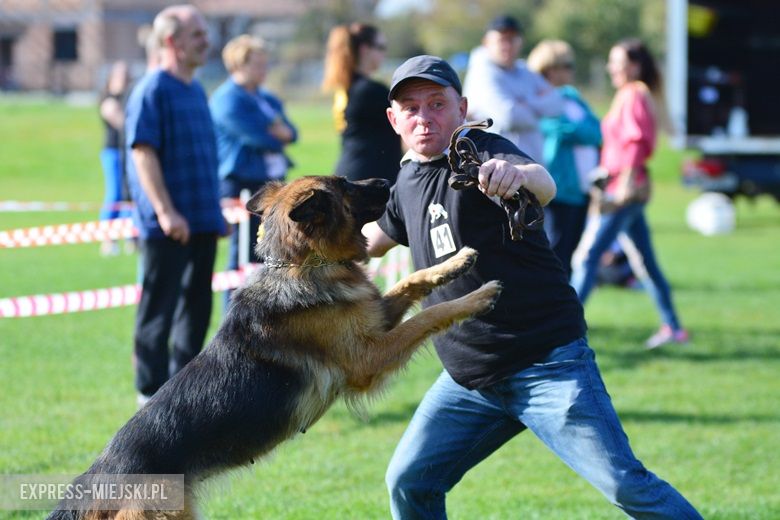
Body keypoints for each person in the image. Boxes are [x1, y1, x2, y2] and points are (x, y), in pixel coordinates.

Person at [362, 55, 702, 519]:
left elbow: (541, 183)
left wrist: (514, 176)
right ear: (394, 118)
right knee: (408, 482)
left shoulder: (478, 148)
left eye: (437, 104)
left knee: (627, 487)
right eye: (412, 107)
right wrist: (308, 240)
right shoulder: (406, 179)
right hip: (469, 383)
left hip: (546, 365)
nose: (425, 117)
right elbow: (371, 244)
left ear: (461, 108)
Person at [124, 4, 227, 407]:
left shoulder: (196, 90)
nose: (207, 42)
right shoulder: (152, 89)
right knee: (158, 311)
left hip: (201, 221)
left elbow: (204, 156)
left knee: (196, 311)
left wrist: (213, 210)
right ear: (171, 41)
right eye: (197, 35)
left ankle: (181, 394)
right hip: (166, 225)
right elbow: (143, 153)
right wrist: (166, 211)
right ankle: (148, 396)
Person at [570, 38, 689, 349]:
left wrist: (625, 178)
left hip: (624, 191)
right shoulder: (635, 93)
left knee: (587, 257)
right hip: (629, 188)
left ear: (634, 66)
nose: (611, 67)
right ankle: (674, 329)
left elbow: (636, 141)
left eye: (616, 61)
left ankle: (563, 329)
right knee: (645, 262)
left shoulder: (634, 93)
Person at [210, 34, 298, 308]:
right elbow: (257, 137)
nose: (264, 70)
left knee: (271, 250)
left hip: (272, 180)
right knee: (243, 252)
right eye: (258, 64)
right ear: (239, 64)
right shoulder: (226, 99)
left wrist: (278, 131)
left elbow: (292, 132)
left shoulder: (266, 97)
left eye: (265, 63)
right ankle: (233, 314)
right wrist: (274, 131)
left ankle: (266, 310)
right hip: (242, 181)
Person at [526, 39, 602, 278]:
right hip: (558, 189)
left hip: (582, 190)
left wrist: (581, 132)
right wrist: (582, 132)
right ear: (550, 69)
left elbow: (597, 131)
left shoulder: (573, 97)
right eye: (566, 65)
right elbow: (560, 129)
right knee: (556, 255)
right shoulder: (539, 99)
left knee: (571, 255)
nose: (572, 70)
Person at [462, 14, 564, 165]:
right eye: (501, 40)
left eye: (512, 39)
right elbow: (509, 116)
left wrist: (526, 102)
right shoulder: (481, 72)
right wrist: (538, 111)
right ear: (486, 42)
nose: (507, 45)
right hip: (495, 170)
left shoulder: (525, 70)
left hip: (530, 168)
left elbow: (557, 104)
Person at [322, 22, 401, 184]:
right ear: (365, 49)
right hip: (370, 181)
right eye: (381, 47)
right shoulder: (370, 91)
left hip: (350, 173)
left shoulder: (346, 87)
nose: (384, 54)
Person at [98, 60, 131, 256]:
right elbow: (125, 126)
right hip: (113, 152)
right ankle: (108, 239)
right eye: (120, 75)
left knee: (128, 196)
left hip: (127, 153)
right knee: (114, 194)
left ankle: (129, 237)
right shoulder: (109, 100)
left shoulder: (129, 98)